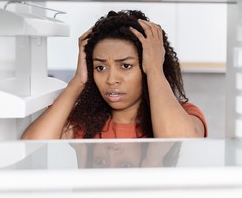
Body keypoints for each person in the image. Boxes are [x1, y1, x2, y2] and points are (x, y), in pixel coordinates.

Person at [21, 10, 207, 144]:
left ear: (148, 66)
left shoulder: (187, 114)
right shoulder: (83, 122)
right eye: (100, 67)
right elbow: (31, 148)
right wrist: (78, 81)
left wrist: (155, 71)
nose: (111, 79)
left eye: (125, 66)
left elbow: (181, 145)